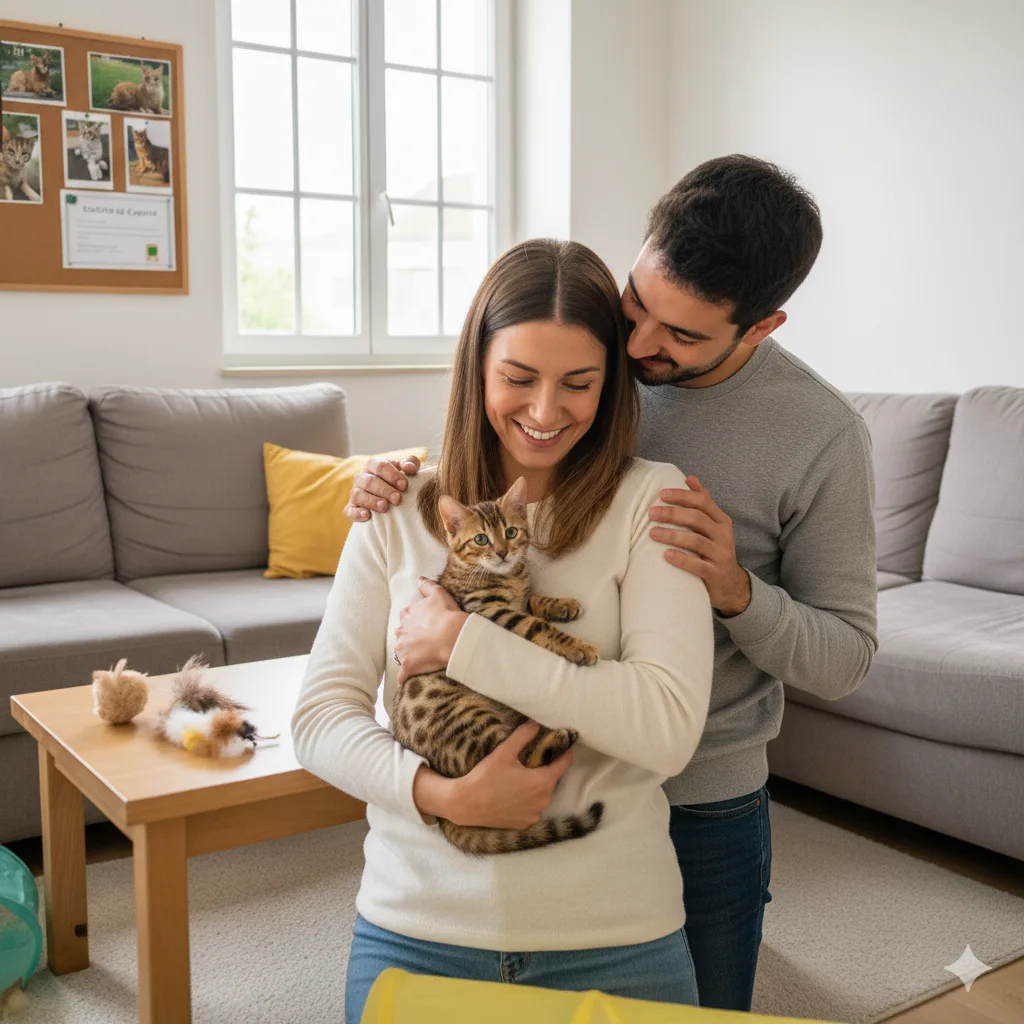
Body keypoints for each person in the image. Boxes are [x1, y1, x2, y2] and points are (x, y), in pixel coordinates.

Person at [345, 154, 879, 1012]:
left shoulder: (820, 436)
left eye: (680, 336)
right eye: (637, 304)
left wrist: (737, 590)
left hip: (698, 785)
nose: (637, 348)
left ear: (763, 326)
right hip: (515, 746)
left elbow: (847, 657)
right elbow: (510, 413)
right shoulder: (590, 350)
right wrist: (400, 486)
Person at [292, 238, 716, 1023]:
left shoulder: (654, 501)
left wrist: (463, 644)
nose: (546, 412)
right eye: (518, 379)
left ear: (612, 385)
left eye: (579, 384)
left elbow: (664, 730)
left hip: (615, 932)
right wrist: (442, 793)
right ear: (476, 370)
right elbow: (319, 720)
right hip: (418, 925)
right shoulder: (394, 509)